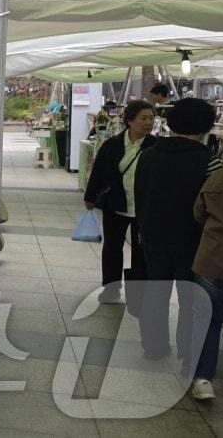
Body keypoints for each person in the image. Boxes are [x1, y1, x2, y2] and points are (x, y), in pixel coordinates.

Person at [134, 98, 223, 366]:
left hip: (153, 235)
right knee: (190, 298)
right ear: (206, 126)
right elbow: (213, 206)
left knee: (155, 291)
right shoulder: (210, 161)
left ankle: (154, 346)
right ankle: (188, 350)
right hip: (193, 239)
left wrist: (142, 227)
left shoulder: (148, 155)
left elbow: (140, 194)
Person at [83, 100, 156, 303]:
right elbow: (98, 172)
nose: (148, 122)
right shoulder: (112, 145)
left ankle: (139, 294)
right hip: (116, 205)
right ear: (130, 120)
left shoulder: (156, 146)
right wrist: (90, 197)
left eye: (151, 118)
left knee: (142, 252)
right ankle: (111, 289)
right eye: (143, 118)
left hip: (144, 208)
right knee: (112, 249)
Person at [189, 150, 223, 401]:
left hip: (214, 258)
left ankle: (203, 379)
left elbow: (199, 213)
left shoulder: (216, 180)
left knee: (208, 319)